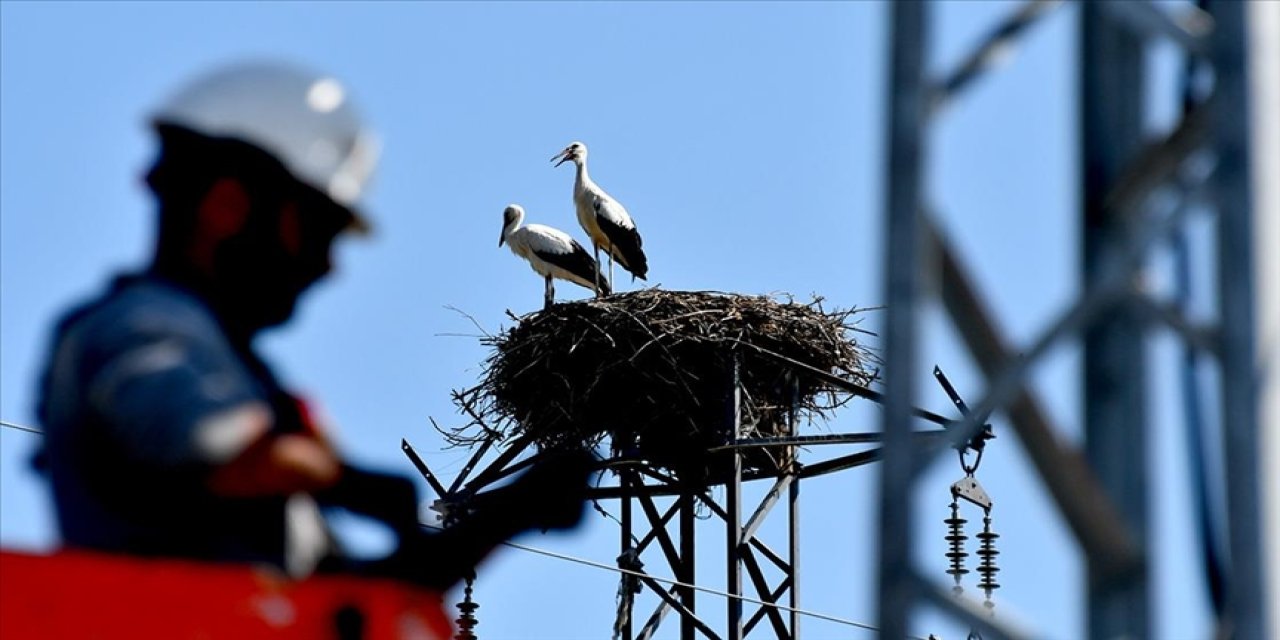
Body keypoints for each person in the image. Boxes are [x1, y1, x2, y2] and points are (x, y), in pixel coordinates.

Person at [33, 60, 591, 591]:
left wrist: (507, 514)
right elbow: (217, 449)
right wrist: (347, 480)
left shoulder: (239, 375)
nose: (328, 265)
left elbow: (349, 596)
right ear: (227, 207)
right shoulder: (141, 328)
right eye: (315, 230)